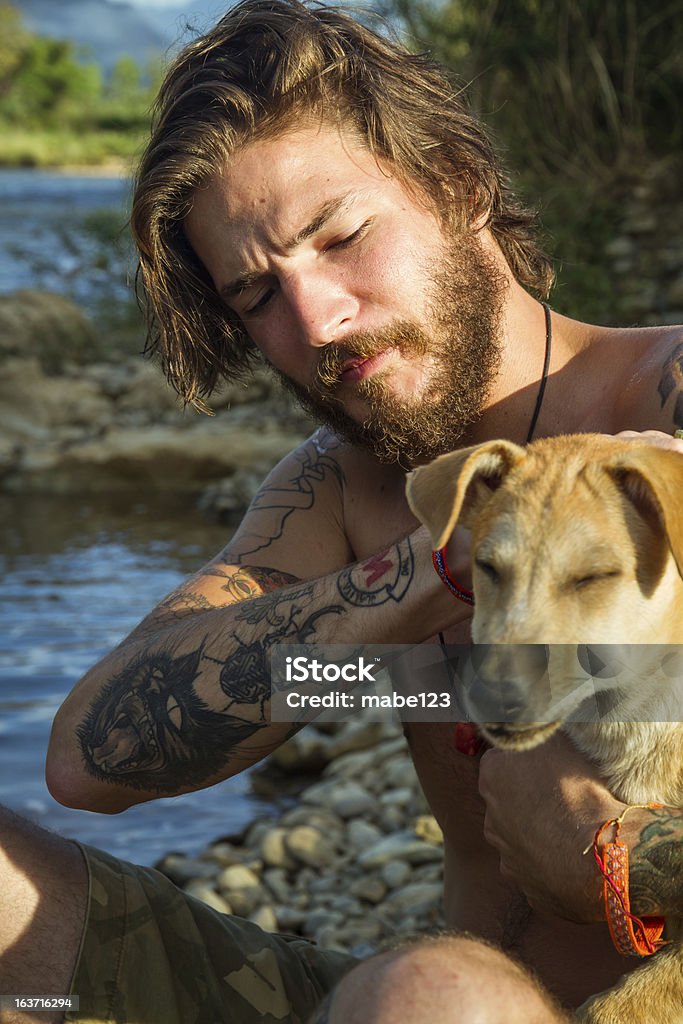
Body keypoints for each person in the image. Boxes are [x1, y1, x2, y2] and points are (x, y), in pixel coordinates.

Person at [1, 1, 682, 1021]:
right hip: (393, 995)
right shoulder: (338, 490)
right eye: (253, 295)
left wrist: (626, 861)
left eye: (339, 235)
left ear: (459, 185)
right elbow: (88, 755)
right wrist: (447, 568)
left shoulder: (662, 410)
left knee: (432, 988)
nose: (316, 319)